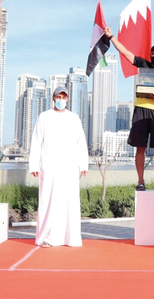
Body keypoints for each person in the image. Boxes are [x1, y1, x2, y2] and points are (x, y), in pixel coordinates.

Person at [104, 26, 154, 191]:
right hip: (140, 109)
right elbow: (125, 52)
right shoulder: (143, 64)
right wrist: (111, 37)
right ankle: (141, 181)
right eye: (153, 53)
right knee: (140, 148)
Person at [29, 86, 89, 247]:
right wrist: (34, 165)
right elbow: (36, 141)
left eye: (63, 97)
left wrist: (83, 164)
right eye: (58, 97)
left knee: (70, 201)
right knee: (48, 200)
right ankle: (47, 237)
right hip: (49, 165)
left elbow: (80, 142)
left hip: (70, 165)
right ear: (53, 98)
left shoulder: (74, 118)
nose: (61, 100)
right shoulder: (44, 117)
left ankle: (70, 238)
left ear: (67, 99)